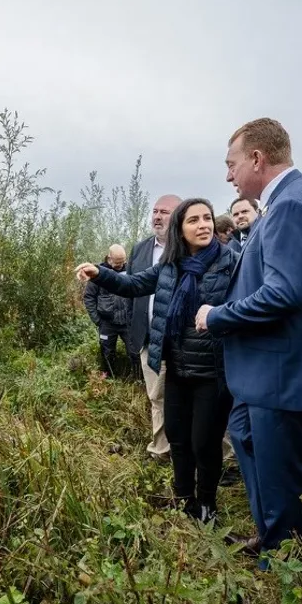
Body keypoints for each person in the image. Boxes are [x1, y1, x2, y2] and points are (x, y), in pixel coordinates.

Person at [196, 118, 302, 565]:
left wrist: (217, 316)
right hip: (271, 366)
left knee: (279, 463)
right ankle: (270, 532)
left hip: (281, 365)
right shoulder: (301, 197)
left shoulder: (292, 205)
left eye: (232, 164)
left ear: (257, 159)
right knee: (246, 435)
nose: (228, 176)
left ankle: (282, 556)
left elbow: (284, 292)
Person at [77, 198, 237, 522]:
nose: (203, 224)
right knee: (178, 437)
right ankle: (183, 499)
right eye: (194, 220)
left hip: (212, 371)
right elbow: (133, 284)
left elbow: (246, 304)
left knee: (204, 443)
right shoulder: (169, 265)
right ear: (181, 228)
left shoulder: (231, 262)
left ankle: (207, 506)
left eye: (207, 218)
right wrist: (100, 274)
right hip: (176, 366)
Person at [128, 194, 182, 460]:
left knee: (197, 399)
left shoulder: (189, 248)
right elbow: (131, 290)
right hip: (149, 339)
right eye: (155, 211)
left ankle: (219, 455)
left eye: (165, 212)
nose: (157, 217)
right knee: (156, 396)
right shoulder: (140, 249)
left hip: (183, 340)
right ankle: (162, 450)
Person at [82, 244, 138, 378]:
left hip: (127, 322)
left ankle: (138, 380)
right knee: (107, 353)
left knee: (135, 352)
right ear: (109, 258)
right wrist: (97, 320)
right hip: (107, 323)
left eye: (123, 262)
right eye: (117, 263)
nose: (120, 266)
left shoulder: (131, 271)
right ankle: (108, 378)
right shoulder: (98, 274)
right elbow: (88, 297)